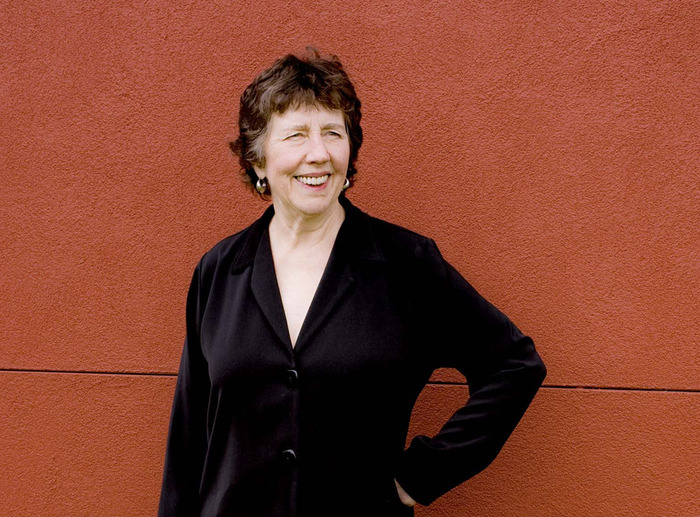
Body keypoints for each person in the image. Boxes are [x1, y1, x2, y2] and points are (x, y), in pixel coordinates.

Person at [158, 47, 546, 517]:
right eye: (296, 135)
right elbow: (188, 442)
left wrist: (420, 476)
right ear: (258, 160)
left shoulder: (406, 265)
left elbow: (514, 365)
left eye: (332, 133)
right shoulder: (219, 271)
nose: (318, 154)